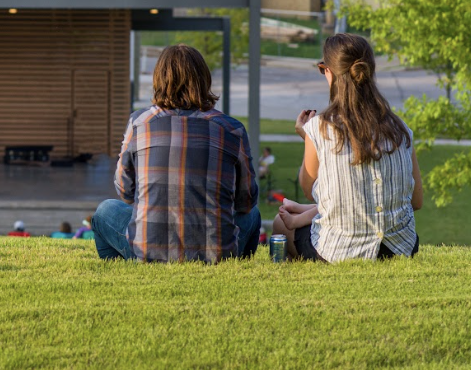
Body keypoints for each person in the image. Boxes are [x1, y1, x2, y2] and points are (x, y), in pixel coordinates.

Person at [93, 43, 261, 264]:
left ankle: (124, 269)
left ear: (159, 79)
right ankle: (237, 268)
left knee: (105, 210)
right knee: (253, 215)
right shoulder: (232, 128)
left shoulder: (139, 122)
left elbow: (125, 191)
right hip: (217, 253)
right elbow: (246, 201)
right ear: (204, 79)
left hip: (148, 251)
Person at [269, 33, 422, 262]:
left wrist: (309, 140)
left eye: (323, 69)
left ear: (329, 71)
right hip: (399, 247)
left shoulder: (320, 128)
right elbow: (416, 201)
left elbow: (311, 191)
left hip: (341, 250)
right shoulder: (400, 129)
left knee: (280, 223)